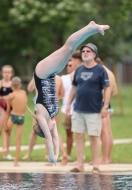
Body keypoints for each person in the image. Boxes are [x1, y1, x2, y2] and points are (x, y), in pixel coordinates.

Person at [33, 21, 110, 165]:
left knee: (67, 48)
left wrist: (50, 156)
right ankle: (91, 28)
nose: (54, 130)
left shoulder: (41, 115)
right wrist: (55, 156)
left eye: (50, 130)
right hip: (51, 74)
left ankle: (91, 27)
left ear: (44, 128)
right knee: (70, 50)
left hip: (42, 73)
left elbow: (50, 139)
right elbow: (55, 138)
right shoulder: (51, 120)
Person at [66, 43, 111, 173]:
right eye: (83, 51)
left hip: (94, 110)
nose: (85, 52)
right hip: (78, 109)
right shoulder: (79, 70)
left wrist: (105, 106)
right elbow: (74, 87)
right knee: (78, 136)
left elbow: (107, 89)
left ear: (94, 54)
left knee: (94, 136)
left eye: (88, 51)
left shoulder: (100, 70)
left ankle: (95, 165)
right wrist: (68, 104)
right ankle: (80, 165)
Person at [0, 77, 28, 166]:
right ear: (20, 85)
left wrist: (5, 124)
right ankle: (15, 161)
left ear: (11, 85)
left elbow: (7, 111)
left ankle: (5, 148)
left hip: (13, 116)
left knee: (6, 131)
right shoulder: (24, 93)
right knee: (18, 140)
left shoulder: (11, 95)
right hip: (21, 117)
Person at [95, 57, 117, 164]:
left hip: (102, 103)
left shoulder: (102, 72)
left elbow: (104, 90)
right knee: (108, 131)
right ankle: (106, 157)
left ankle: (105, 158)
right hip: (108, 103)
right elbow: (115, 91)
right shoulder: (110, 73)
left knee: (103, 132)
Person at [61, 60, 76, 160]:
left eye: (70, 65)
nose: (68, 67)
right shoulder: (63, 78)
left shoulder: (80, 77)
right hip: (66, 109)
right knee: (68, 133)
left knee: (80, 133)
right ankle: (68, 154)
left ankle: (81, 155)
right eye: (67, 65)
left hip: (78, 109)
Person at [0, 65, 14, 160]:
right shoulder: (0, 83)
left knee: (8, 131)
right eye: (5, 72)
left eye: (8, 72)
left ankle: (6, 153)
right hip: (1, 109)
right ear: (2, 73)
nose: (7, 74)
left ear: (12, 74)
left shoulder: (13, 84)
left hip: (11, 110)